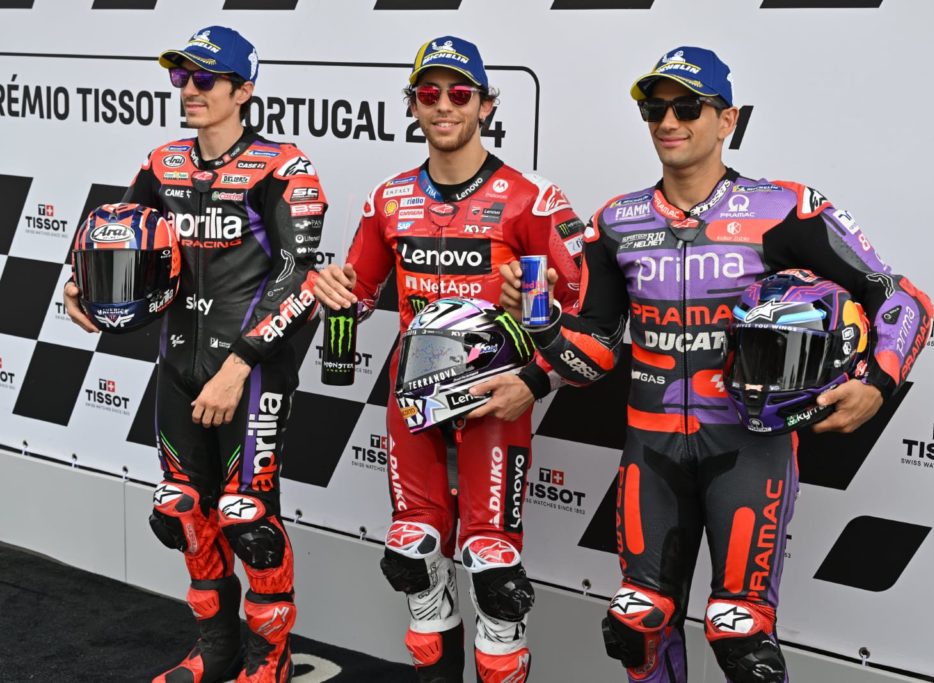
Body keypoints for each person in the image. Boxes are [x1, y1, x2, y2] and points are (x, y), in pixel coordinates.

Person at [498, 46, 933, 683]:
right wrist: (541, 322)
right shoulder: (615, 222)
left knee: (742, 639)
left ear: (727, 119)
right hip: (651, 450)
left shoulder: (785, 207)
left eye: (687, 107)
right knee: (636, 627)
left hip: (747, 450)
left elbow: (900, 297)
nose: (668, 122)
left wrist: (878, 383)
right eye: (655, 109)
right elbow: (594, 355)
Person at [312, 36, 583, 683]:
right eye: (429, 93)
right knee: (413, 557)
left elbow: (583, 314)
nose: (444, 105)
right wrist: (336, 294)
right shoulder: (389, 198)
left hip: (495, 402)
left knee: (494, 575)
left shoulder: (532, 198)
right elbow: (359, 291)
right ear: (412, 104)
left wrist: (535, 368)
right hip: (413, 401)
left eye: (459, 93)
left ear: (485, 105)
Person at [64, 25, 327, 683]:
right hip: (179, 366)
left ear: (244, 90)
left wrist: (238, 368)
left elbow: (300, 279)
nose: (189, 89)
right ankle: (215, 649)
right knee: (184, 510)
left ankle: (270, 657)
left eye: (205, 78)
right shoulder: (163, 163)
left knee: (249, 518)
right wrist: (77, 285)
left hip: (252, 373)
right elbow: (115, 233)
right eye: (181, 77)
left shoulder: (283, 168)